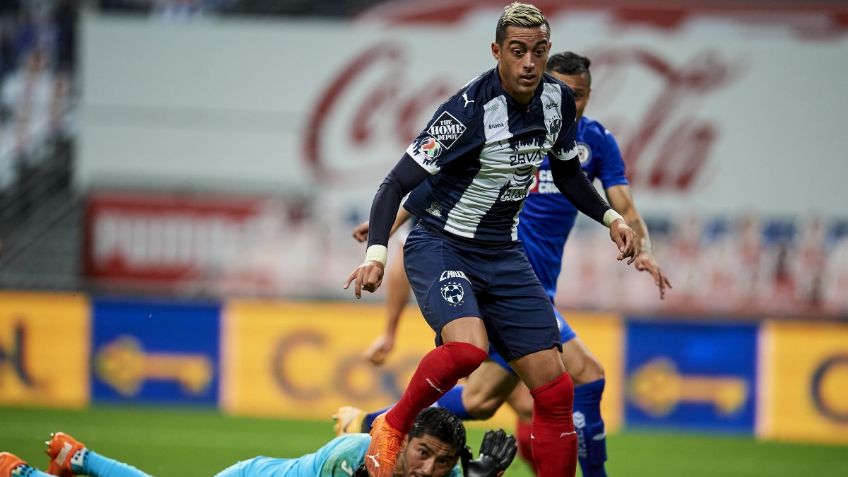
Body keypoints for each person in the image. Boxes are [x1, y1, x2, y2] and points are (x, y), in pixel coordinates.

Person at [342, 51, 672, 476]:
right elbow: (431, 184)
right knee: (585, 376)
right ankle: (382, 423)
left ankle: (371, 421)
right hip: (498, 273)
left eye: (581, 95)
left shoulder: (591, 142)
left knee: (487, 401)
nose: (570, 101)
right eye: (564, 91)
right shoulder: (499, 126)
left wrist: (640, 244)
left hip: (531, 282)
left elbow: (621, 201)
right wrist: (384, 228)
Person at [0, 408, 517, 477]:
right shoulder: (351, 456)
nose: (429, 469)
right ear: (402, 444)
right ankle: (29, 473)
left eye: (443, 461)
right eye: (423, 453)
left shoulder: (445, 472)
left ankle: (75, 457)